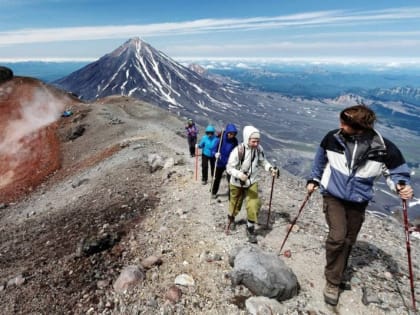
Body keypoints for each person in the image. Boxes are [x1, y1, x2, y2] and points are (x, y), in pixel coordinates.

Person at [306, 104, 414, 306]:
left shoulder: (383, 148)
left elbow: (396, 173)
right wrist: (313, 179)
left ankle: (337, 272)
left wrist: (402, 187)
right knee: (337, 237)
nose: (340, 126)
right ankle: (333, 280)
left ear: (360, 127)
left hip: (358, 200)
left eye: (345, 123)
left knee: (348, 241)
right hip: (333, 195)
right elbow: (320, 160)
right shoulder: (333, 138)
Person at [226, 125, 279, 243]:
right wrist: (240, 175)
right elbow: (229, 168)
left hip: (252, 181)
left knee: (253, 204)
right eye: (254, 141)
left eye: (258, 141)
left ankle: (250, 229)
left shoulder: (259, 149)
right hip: (237, 182)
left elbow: (262, 161)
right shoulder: (238, 151)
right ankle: (231, 219)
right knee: (236, 202)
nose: (256, 143)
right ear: (247, 139)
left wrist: (270, 168)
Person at [210, 123, 239, 199]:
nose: (232, 135)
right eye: (230, 134)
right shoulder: (220, 139)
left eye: (234, 134)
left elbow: (236, 151)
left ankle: (231, 196)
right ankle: (213, 192)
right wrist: (215, 154)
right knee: (216, 178)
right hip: (219, 162)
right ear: (227, 132)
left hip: (229, 164)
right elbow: (212, 150)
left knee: (231, 180)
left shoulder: (235, 141)